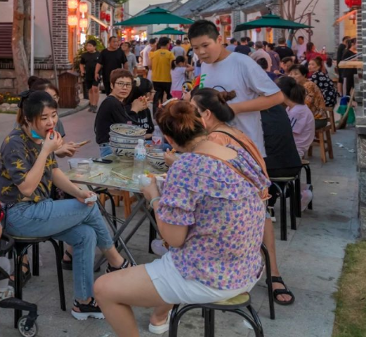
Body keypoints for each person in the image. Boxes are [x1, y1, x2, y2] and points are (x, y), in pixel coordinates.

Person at [94, 100, 268, 337]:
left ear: (169, 139)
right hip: (247, 268)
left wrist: (154, 197)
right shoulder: (237, 155)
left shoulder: (186, 167)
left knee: (103, 288)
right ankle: (159, 316)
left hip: (210, 277)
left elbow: (174, 239)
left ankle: (158, 315)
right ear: (203, 122)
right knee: (164, 263)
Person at [0, 90, 130, 320]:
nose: (51, 122)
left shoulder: (42, 137)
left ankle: (83, 302)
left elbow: (54, 172)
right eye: (44, 118)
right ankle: (116, 261)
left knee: (86, 233)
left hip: (41, 208)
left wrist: (79, 192)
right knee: (90, 207)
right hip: (19, 214)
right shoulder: (14, 143)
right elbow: (26, 188)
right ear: (28, 119)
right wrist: (46, 150)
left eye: (54, 115)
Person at [187, 88, 295, 305]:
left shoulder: (216, 138)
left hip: (238, 210)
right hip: (257, 203)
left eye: (192, 110)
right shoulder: (234, 131)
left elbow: (201, 179)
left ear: (206, 114)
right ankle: (273, 274)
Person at [188, 20, 283, 157]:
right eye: (196, 48)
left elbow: (277, 97)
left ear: (219, 39)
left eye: (205, 45)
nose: (201, 52)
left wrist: (234, 108)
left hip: (244, 148)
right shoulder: (205, 65)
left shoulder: (243, 63)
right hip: (216, 146)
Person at [277, 77, 315, 208]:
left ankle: (300, 192)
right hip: (291, 149)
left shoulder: (298, 111)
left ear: (282, 93)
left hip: (294, 151)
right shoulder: (292, 109)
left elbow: (287, 134)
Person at [94, 70, 150, 157]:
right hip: (111, 148)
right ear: (112, 85)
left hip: (115, 147)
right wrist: (135, 109)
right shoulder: (111, 102)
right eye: (120, 84)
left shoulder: (116, 102)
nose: (124, 87)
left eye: (128, 84)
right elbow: (128, 129)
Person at [287, 64, 328, 129]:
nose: (292, 76)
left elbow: (306, 105)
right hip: (306, 117)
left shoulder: (308, 86)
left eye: (296, 74)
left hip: (318, 118)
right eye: (291, 74)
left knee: (291, 127)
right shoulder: (298, 86)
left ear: (304, 75)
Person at [148, 37, 175, 113]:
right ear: (167, 44)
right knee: (169, 96)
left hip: (156, 78)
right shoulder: (170, 54)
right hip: (167, 79)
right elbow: (173, 66)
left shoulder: (154, 54)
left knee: (157, 96)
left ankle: (155, 113)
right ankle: (170, 112)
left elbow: (149, 66)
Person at [80, 39, 101, 113]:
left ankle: (95, 105)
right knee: (90, 90)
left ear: (94, 47)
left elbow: (101, 64)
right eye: (87, 46)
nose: (88, 47)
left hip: (96, 74)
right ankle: (91, 104)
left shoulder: (99, 54)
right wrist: (82, 71)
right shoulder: (84, 55)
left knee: (95, 88)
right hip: (88, 74)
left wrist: (99, 73)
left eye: (90, 46)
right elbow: (81, 64)